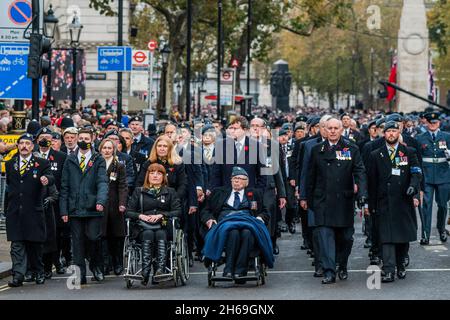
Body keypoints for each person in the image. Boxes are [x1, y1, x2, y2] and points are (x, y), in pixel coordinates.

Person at [305, 118, 367, 284]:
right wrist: (307, 198)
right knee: (325, 237)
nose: (332, 131)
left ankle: (342, 264)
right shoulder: (317, 150)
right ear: (324, 130)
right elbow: (310, 176)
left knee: (346, 238)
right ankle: (329, 271)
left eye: (335, 128)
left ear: (341, 130)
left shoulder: (351, 149)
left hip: (344, 201)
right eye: (329, 128)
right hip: (322, 201)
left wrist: (362, 193)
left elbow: (360, 172)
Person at [367, 121, 422, 282]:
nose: (391, 134)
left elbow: (417, 173)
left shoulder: (409, 152)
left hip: (403, 201)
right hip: (383, 202)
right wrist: (369, 204)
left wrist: (414, 188)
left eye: (394, 131)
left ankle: (401, 264)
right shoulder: (376, 154)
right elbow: (372, 181)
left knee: (402, 237)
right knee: (386, 237)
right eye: (388, 131)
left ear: (399, 133)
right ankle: (389, 270)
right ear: (384, 134)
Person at [201, 167, 273, 283]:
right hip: (226, 221)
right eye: (234, 178)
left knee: (247, 233)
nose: (236, 181)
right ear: (230, 180)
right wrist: (209, 219)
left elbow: (265, 212)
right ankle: (228, 269)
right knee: (233, 233)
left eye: (240, 178)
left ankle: (240, 270)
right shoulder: (219, 192)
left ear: (246, 182)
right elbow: (206, 211)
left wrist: (259, 218)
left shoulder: (254, 193)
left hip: (247, 221)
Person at [59, 128, 109, 285]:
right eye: (80, 138)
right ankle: (80, 274)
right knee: (77, 242)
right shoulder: (70, 159)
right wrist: (64, 210)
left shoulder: (98, 159)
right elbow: (64, 186)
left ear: (92, 139)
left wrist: (100, 201)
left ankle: (96, 266)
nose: (83, 141)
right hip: (74, 209)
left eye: (86, 138)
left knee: (93, 238)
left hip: (93, 208)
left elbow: (102, 182)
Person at [6, 133, 54, 287]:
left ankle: (38, 271)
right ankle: (18, 276)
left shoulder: (41, 163)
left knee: (34, 245)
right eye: (21, 143)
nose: (24, 146)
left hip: (33, 211)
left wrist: (46, 179)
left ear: (32, 146)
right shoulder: (10, 163)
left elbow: (50, 176)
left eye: (27, 143)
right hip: (15, 211)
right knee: (17, 245)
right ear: (18, 146)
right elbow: (9, 187)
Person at [126, 163, 182, 285]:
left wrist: (162, 215)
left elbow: (178, 211)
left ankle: (159, 270)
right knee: (148, 234)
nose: (155, 176)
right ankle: (145, 271)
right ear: (147, 175)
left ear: (163, 176)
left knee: (160, 234)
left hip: (163, 224)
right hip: (143, 226)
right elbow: (128, 212)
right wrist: (141, 216)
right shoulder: (138, 191)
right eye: (152, 173)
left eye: (159, 173)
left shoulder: (170, 192)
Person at [34, 127, 69, 277]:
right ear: (37, 140)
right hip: (37, 202)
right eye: (42, 137)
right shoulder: (32, 155)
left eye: (49, 138)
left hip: (56, 201)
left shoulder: (60, 156)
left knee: (56, 235)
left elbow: (65, 181)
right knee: (41, 234)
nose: (45, 140)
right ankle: (43, 266)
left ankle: (55, 262)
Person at [415, 111, 450, 244]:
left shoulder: (447, 137)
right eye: (430, 122)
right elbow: (417, 158)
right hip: (427, 176)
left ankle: (441, 229)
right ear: (426, 123)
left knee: (442, 205)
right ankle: (425, 234)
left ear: (439, 123)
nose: (432, 125)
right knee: (427, 206)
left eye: (435, 122)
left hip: (444, 175)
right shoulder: (420, 138)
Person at [99, 139, 128, 276]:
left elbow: (122, 186)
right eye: (104, 148)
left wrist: (122, 203)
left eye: (109, 148)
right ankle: (105, 263)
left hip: (115, 204)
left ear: (113, 150)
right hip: (100, 204)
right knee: (102, 235)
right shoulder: (96, 164)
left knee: (116, 235)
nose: (106, 150)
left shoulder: (119, 166)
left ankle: (118, 263)